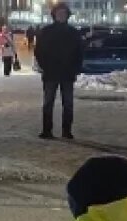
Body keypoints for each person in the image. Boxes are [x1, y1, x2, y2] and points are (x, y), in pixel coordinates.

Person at [34, 2, 83, 139]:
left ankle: (66, 131)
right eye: (59, 13)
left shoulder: (73, 33)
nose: (61, 15)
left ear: (67, 16)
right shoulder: (46, 31)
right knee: (48, 103)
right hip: (51, 73)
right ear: (54, 15)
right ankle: (47, 130)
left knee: (68, 104)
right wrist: (44, 65)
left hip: (68, 73)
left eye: (64, 13)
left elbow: (80, 52)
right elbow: (38, 51)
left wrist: (76, 68)